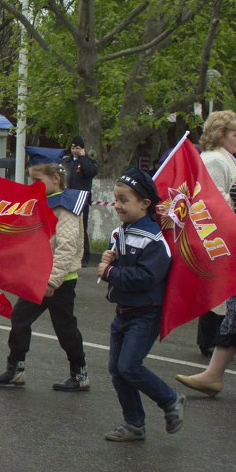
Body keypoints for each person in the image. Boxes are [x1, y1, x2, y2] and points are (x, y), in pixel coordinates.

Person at [0, 150, 90, 391]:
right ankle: (15, 370)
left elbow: (67, 247)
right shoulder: (42, 203)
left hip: (60, 280)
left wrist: (53, 282)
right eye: (31, 180)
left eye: (37, 180)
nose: (33, 185)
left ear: (56, 178)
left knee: (65, 329)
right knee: (20, 318)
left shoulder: (66, 207)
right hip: (38, 276)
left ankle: (80, 373)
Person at [98, 168, 184, 442]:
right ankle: (134, 424)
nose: (118, 205)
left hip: (145, 314)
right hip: (122, 312)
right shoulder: (121, 232)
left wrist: (109, 272)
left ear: (145, 204)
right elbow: (123, 268)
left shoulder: (154, 240)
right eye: (116, 199)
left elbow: (147, 277)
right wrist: (110, 260)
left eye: (124, 200)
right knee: (117, 371)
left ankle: (170, 399)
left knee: (130, 367)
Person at [177, 110, 236, 392]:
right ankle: (211, 362)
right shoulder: (214, 160)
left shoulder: (228, 160)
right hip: (224, 242)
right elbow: (208, 201)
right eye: (235, 134)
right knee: (224, 303)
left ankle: (213, 371)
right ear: (220, 135)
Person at [62, 136, 98, 263]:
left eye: (77, 148)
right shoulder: (66, 161)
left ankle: (84, 257)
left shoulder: (87, 161)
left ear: (82, 149)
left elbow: (91, 172)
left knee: (81, 228)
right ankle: (70, 254)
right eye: (73, 148)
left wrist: (82, 158)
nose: (74, 151)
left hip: (81, 200)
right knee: (68, 228)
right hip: (68, 199)